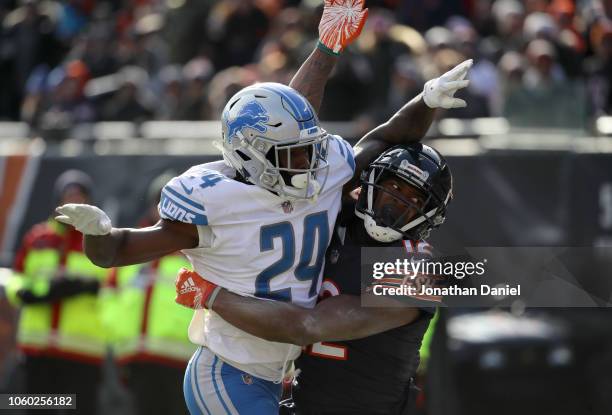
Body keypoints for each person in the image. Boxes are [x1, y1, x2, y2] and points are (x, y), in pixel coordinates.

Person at [54, 1, 470, 413]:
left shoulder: (333, 186)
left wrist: (423, 97)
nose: (311, 162)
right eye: (295, 155)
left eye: (310, 150)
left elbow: (346, 128)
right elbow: (119, 251)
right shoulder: (216, 199)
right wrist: (98, 236)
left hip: (284, 377)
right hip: (228, 370)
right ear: (252, 156)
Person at [175, 143, 453, 414]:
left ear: (429, 215)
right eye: (394, 188)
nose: (398, 203)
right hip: (302, 401)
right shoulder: (337, 219)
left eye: (415, 200)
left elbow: (307, 326)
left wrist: (211, 294)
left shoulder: (420, 269)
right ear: (372, 181)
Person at [6, 170, 108, 414]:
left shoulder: (99, 240)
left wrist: (84, 285)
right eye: (68, 195)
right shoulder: (37, 237)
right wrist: (28, 293)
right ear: (58, 200)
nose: (73, 201)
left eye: (79, 196)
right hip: (38, 351)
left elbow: (111, 283)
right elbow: (17, 277)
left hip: (82, 352)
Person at [101, 172, 194, 415]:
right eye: (160, 201)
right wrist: (119, 338)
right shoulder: (131, 247)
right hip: (138, 359)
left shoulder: (197, 251)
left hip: (184, 362)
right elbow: (109, 296)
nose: (165, 208)